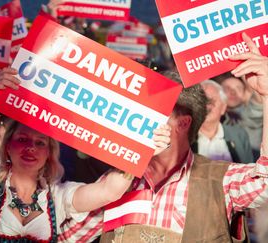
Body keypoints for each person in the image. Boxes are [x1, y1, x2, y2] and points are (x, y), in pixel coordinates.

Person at [0, 67, 172, 242]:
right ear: (8, 148)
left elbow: (109, 190)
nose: (31, 147)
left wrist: (143, 149)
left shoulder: (57, 197)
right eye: (22, 139)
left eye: (40, 143)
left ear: (49, 154)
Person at [100, 32, 268, 242]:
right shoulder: (119, 177)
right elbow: (67, 230)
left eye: (156, 111)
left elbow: (265, 183)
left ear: (183, 123)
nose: (141, 118)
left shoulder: (219, 179)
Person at [192, 80, 254, 163]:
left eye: (211, 101)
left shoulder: (238, 135)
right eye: (201, 101)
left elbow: (248, 169)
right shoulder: (183, 138)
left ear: (223, 107)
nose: (207, 106)